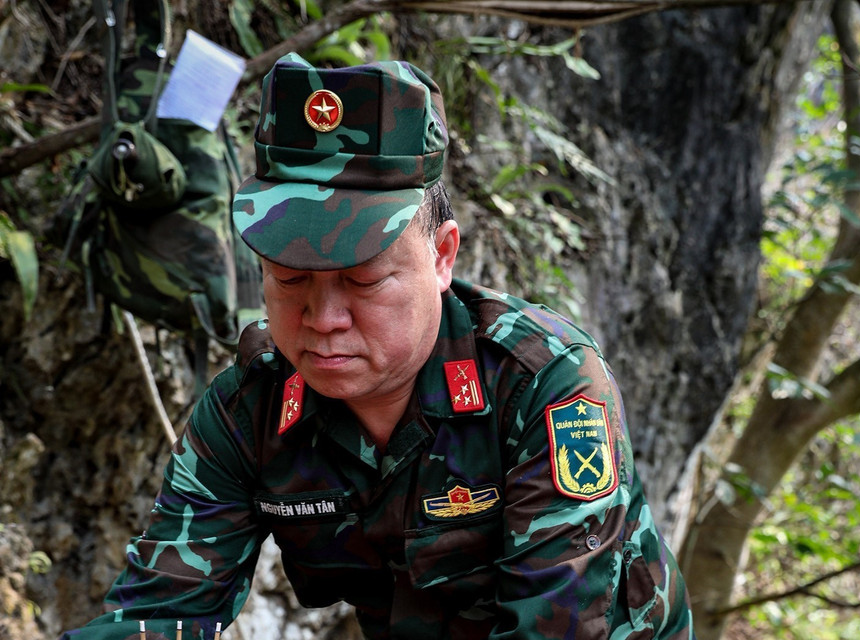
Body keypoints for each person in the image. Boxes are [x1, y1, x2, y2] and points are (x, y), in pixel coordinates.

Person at [60, 53, 694, 640]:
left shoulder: (542, 385)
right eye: (290, 277)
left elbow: (554, 627)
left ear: (443, 256)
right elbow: (158, 612)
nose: (323, 318)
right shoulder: (246, 414)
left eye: (364, 278)